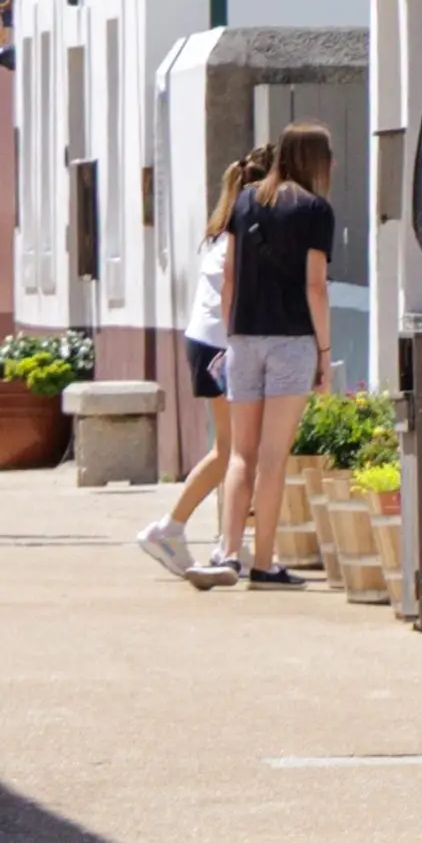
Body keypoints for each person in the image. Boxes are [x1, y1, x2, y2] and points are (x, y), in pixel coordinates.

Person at [209, 121, 339, 587]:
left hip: (243, 338)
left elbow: (228, 279)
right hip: (291, 342)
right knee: (272, 457)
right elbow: (315, 287)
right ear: (315, 161)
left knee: (240, 454)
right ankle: (264, 562)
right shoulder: (316, 210)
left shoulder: (245, 202)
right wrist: (323, 352)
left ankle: (227, 554)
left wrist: (233, 334)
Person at [142, 137, 266, 585]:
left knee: (233, 449)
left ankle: (224, 538)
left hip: (205, 340)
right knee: (233, 451)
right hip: (220, 344)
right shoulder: (244, 234)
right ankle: (169, 527)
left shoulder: (221, 229)